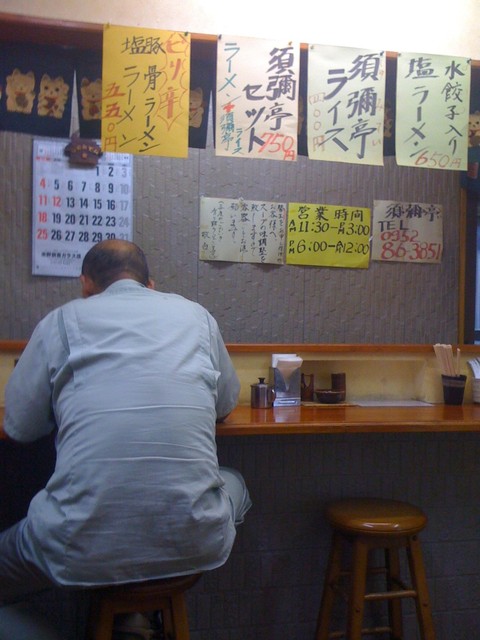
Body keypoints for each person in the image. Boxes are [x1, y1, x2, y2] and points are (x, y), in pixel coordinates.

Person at [0, 239, 251, 635]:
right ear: (150, 284)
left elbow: (20, 427)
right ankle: (136, 615)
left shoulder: (61, 321)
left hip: (77, 547)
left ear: (86, 285)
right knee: (234, 482)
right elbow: (225, 404)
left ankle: (110, 616)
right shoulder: (197, 317)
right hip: (194, 542)